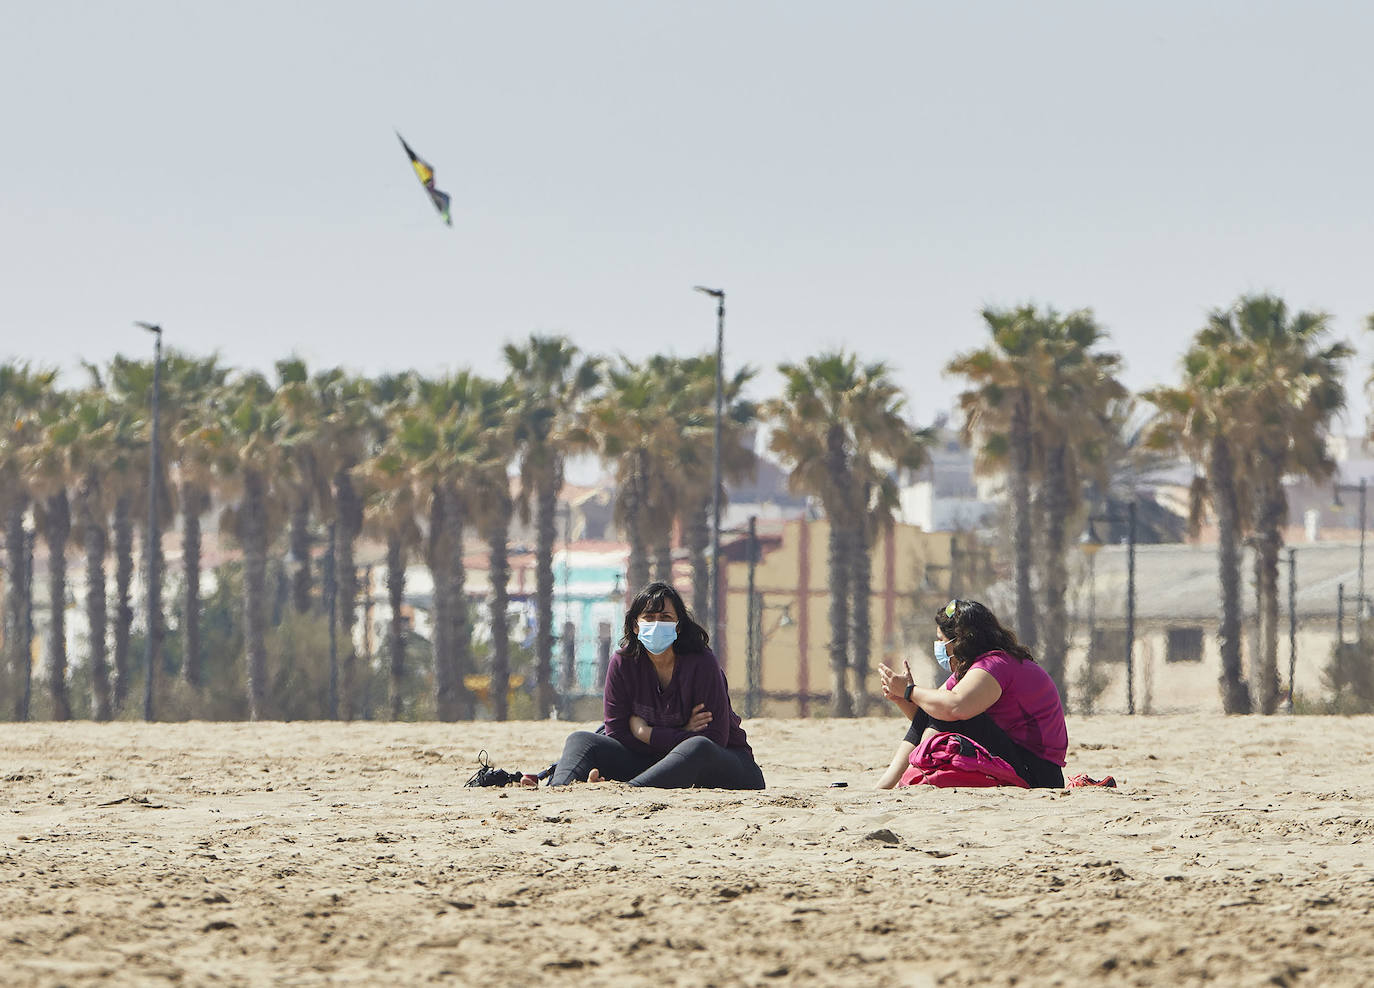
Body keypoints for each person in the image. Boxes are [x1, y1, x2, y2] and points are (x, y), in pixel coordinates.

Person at [549, 581, 765, 790]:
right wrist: (682, 731)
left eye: (665, 618)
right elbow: (617, 733)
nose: (656, 624)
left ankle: (630, 790)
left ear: (678, 626)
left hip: (722, 765)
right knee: (581, 739)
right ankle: (558, 788)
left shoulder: (702, 662)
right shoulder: (622, 663)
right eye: (649, 618)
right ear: (635, 625)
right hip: (649, 762)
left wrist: (646, 733)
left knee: (697, 746)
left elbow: (715, 737)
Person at [875, 599, 1067, 789]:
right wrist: (902, 698)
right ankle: (890, 781)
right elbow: (930, 715)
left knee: (948, 707)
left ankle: (905, 777)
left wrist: (910, 690)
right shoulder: (977, 668)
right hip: (1023, 762)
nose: (938, 647)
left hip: (1038, 774)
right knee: (940, 707)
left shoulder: (995, 665)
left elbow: (953, 708)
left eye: (941, 640)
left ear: (959, 641)